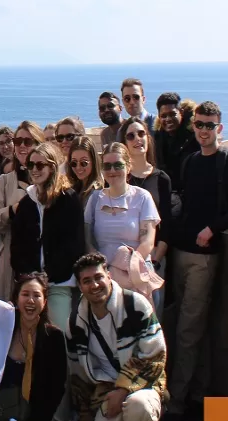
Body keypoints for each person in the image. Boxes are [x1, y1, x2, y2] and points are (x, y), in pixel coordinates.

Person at [159, 101, 228, 421]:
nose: (203, 130)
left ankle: (176, 406)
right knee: (183, 328)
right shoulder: (190, 162)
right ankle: (194, 396)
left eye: (210, 125)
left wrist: (213, 227)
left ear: (220, 129)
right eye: (199, 124)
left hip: (203, 256)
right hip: (181, 254)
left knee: (187, 331)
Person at [9, 140, 83, 421]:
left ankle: (59, 420)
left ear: (54, 167)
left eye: (41, 165)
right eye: (31, 165)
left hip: (60, 284)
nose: (35, 170)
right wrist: (31, 280)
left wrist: (49, 277)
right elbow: (19, 247)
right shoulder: (25, 203)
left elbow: (73, 246)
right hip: (31, 287)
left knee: (59, 345)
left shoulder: (68, 200)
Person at [68, 253, 167, 421]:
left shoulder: (135, 305)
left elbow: (155, 355)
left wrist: (122, 390)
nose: (94, 285)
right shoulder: (76, 321)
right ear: (80, 286)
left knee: (137, 407)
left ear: (109, 276)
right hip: (105, 393)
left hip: (142, 387)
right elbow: (78, 376)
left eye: (98, 277)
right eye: (87, 281)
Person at [0, 273, 67, 421]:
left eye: (37, 295)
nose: (31, 301)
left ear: (44, 302)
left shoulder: (54, 337)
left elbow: (56, 388)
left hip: (33, 417)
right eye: (25, 294)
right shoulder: (2, 329)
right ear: (16, 299)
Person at [85, 143, 163, 305]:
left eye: (118, 165)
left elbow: (148, 241)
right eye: (107, 166)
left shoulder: (142, 197)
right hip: (103, 279)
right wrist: (103, 269)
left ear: (128, 167)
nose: (112, 171)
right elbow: (87, 239)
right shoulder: (94, 199)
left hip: (136, 276)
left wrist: (124, 267)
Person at [0, 121, 46, 301]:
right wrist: (12, 210)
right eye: (18, 141)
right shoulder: (4, 182)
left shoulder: (51, 181)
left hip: (44, 264)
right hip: (10, 266)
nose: (21, 146)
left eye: (28, 141)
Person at [122, 118, 176, 309]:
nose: (137, 139)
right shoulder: (120, 179)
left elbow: (167, 224)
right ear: (124, 144)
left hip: (154, 260)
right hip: (124, 262)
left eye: (141, 133)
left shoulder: (161, 179)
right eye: (131, 136)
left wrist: (154, 260)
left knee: (154, 317)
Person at [153, 92, 197, 193]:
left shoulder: (193, 136)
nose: (168, 119)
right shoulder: (158, 138)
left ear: (180, 112)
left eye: (172, 114)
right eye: (163, 116)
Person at [68, 136, 104, 208]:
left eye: (84, 163)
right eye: (74, 163)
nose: (78, 167)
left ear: (93, 162)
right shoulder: (73, 187)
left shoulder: (96, 192)